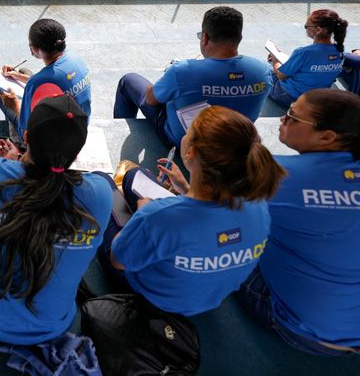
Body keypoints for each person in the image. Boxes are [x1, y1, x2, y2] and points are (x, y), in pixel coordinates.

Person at [238, 89, 360, 355]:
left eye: (292, 117)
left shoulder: (274, 174)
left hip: (309, 332)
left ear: (327, 136)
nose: (283, 119)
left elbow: (213, 223)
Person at [0, 94, 112, 344]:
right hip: (51, 325)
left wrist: (14, 162)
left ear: (26, 138)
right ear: (78, 151)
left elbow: (28, 188)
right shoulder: (100, 195)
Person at [99, 106, 285, 317]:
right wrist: (186, 189)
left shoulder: (158, 216)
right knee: (134, 175)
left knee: (102, 184)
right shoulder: (258, 206)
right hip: (207, 297)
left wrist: (141, 215)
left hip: (151, 297)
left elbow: (119, 261)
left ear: (190, 153)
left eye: (189, 132)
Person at [113, 5, 272, 146]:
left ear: (205, 38)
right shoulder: (263, 72)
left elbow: (150, 99)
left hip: (185, 144)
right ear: (239, 38)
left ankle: (117, 132)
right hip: (234, 144)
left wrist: (171, 76)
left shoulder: (183, 71)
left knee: (128, 81)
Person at [0, 18, 91, 139]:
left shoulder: (37, 82)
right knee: (24, 72)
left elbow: (28, 127)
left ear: (35, 49)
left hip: (53, 144)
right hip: (80, 129)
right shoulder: (75, 58)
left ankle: (16, 139)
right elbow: (54, 81)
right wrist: (18, 76)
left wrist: (14, 104)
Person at [267, 9, 347, 108]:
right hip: (316, 98)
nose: (305, 28)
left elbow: (281, 76)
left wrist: (274, 59)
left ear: (318, 30)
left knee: (263, 68)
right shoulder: (340, 51)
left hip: (290, 97)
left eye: (306, 26)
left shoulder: (304, 53)